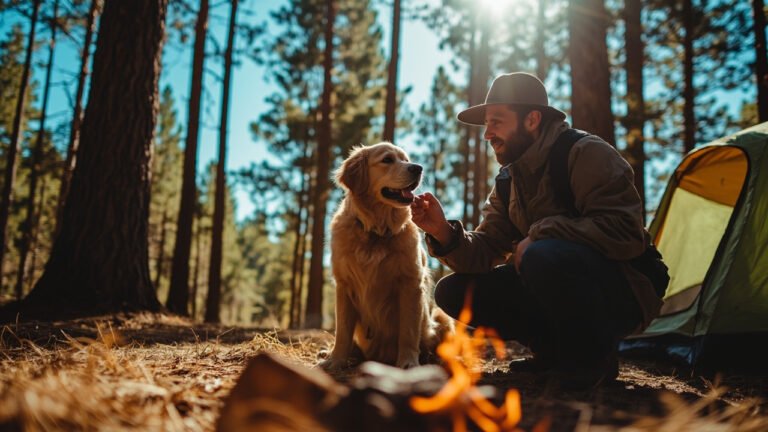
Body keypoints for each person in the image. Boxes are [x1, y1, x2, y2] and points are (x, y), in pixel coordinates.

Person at [410, 72, 666, 389]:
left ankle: (589, 361)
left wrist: (542, 232)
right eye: (486, 124)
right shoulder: (508, 181)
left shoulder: (586, 153)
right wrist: (443, 232)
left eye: (496, 122)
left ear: (532, 120)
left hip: (627, 290)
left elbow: (625, 232)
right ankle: (552, 352)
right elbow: (486, 249)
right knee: (453, 292)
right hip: (557, 272)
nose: (487, 134)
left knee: (543, 255)